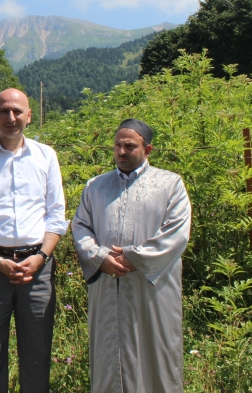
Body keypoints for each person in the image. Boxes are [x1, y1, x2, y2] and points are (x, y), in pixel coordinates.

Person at [0, 88, 67, 393]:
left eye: (17, 111)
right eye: (4, 111)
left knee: (37, 352)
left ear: (29, 116)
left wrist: (41, 257)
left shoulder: (46, 157)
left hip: (37, 267)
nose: (10, 117)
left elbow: (56, 216)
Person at [72, 118, 191, 393]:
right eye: (117, 146)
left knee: (156, 354)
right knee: (108, 356)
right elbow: (81, 226)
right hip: (106, 285)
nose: (121, 152)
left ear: (147, 149)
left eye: (130, 146)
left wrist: (135, 258)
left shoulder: (170, 184)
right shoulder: (96, 186)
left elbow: (176, 232)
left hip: (153, 289)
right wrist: (99, 257)